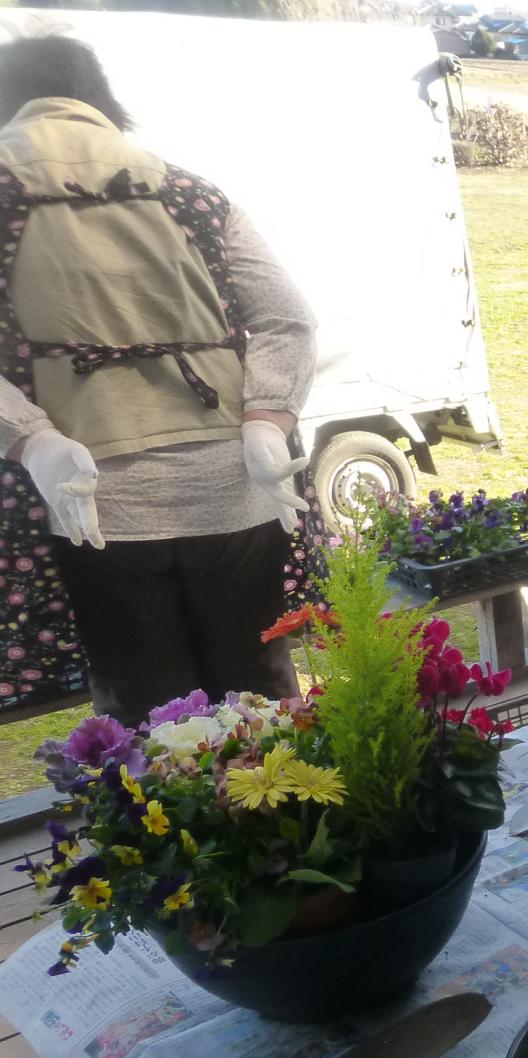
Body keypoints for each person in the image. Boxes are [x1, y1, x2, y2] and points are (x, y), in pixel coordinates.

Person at [0, 36, 315, 725]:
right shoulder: (191, 193)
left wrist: (32, 440)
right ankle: (286, 827)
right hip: (236, 492)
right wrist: (267, 417)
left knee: (151, 722)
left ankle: (179, 831)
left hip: (96, 504)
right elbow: (287, 320)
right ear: (101, 101)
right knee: (260, 706)